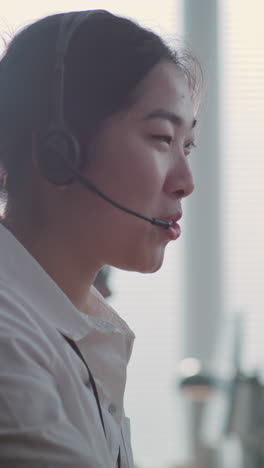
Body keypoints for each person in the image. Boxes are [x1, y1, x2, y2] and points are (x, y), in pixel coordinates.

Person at [0, 9, 201, 468]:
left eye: (187, 146)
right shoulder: (9, 344)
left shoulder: (70, 325)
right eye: (160, 137)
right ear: (57, 149)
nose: (186, 180)